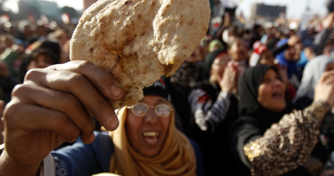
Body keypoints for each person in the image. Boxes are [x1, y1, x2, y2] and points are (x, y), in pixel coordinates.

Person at [0, 61, 203, 176]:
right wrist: (18, 162)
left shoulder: (188, 151)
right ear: (122, 117)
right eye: (139, 108)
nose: (151, 119)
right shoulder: (98, 150)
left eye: (161, 108)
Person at [220, 64, 334, 176]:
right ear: (252, 91)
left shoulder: (291, 111)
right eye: (266, 80)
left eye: (278, 78)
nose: (278, 83)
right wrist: (319, 107)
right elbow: (261, 157)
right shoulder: (243, 127)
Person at [188, 49, 240, 175]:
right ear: (210, 69)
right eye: (220, 62)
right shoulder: (199, 90)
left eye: (228, 61)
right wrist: (225, 92)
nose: (226, 66)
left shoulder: (233, 92)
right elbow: (206, 124)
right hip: (207, 161)